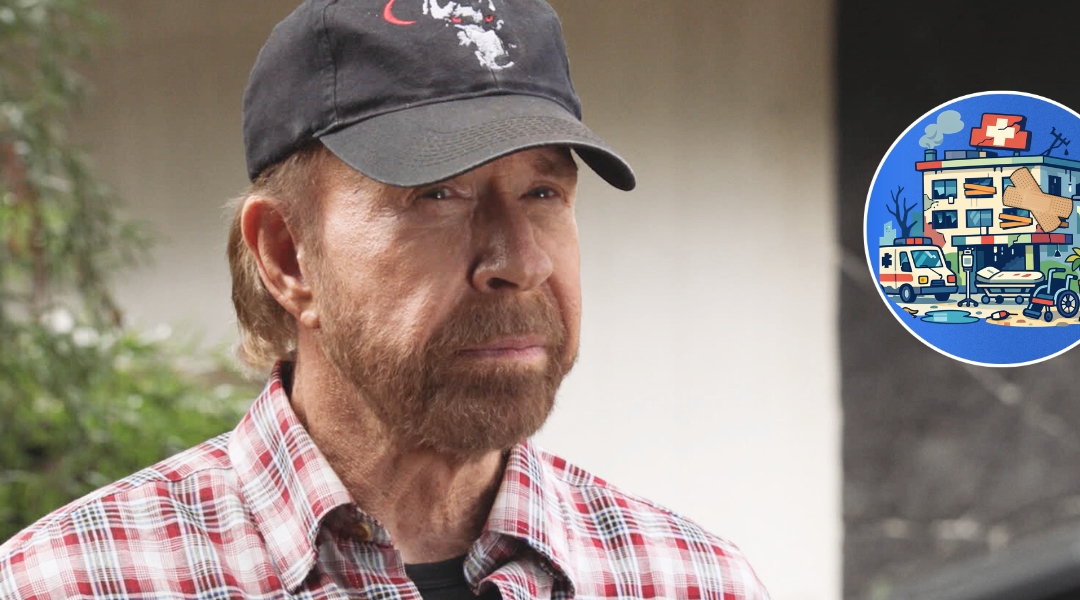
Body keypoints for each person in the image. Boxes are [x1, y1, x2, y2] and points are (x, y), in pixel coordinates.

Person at [0, 1, 769, 598]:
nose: (520, 262)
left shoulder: (693, 580)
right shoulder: (69, 583)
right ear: (286, 256)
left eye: (543, 192)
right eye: (437, 194)